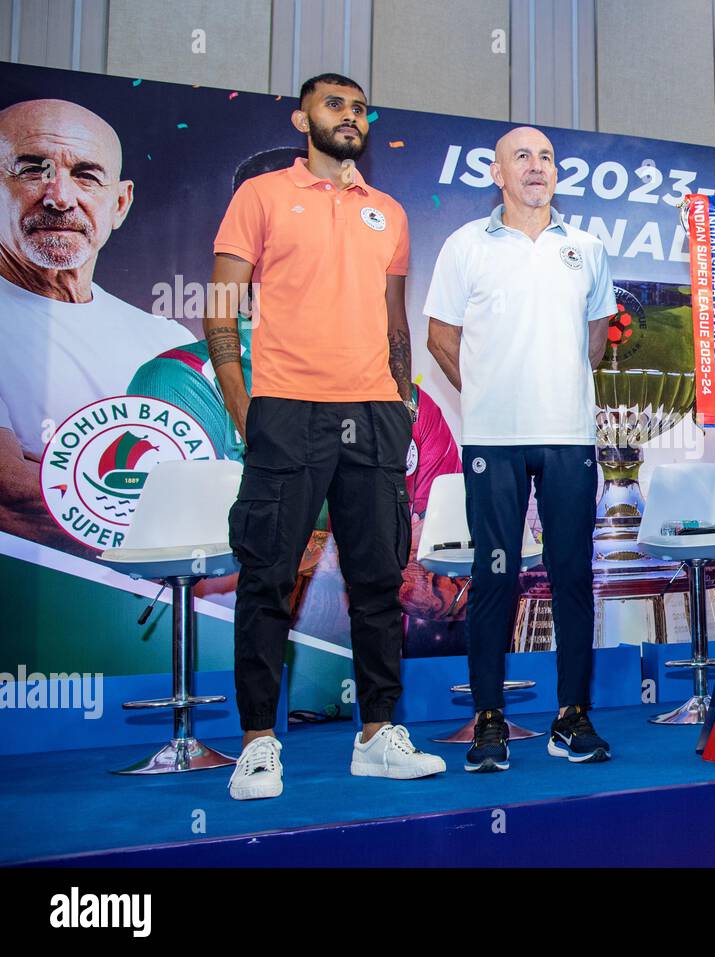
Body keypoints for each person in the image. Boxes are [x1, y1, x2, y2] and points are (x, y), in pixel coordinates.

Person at [210, 73, 445, 800]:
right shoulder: (260, 197)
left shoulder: (389, 212)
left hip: (374, 413)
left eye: (358, 107)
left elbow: (396, 322)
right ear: (302, 116)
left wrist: (402, 406)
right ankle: (256, 742)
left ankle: (377, 733)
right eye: (334, 104)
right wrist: (245, 407)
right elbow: (222, 310)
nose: (350, 116)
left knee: (378, 580)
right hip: (287, 408)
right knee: (268, 574)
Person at [424, 125, 615, 772]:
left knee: (571, 576)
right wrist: (486, 396)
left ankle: (572, 715)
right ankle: (489, 720)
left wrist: (554, 389)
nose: (537, 167)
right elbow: (440, 337)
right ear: (498, 174)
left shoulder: (585, 247)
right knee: (495, 577)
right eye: (522, 157)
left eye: (547, 157)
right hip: (494, 442)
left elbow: (594, 338)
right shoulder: (465, 245)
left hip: (568, 438)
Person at [0, 98, 192, 549]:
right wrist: (175, 515)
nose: (59, 197)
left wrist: (58, 479)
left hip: (174, 614)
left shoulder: (167, 341)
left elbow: (218, 482)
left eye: (85, 175)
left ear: (120, 203)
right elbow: (12, 498)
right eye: (32, 170)